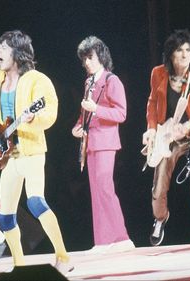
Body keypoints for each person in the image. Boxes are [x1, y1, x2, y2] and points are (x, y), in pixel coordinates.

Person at [0, 30, 73, 273]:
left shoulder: (37, 79)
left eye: (4, 48)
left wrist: (34, 118)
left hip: (31, 150)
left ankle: (63, 256)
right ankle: (18, 265)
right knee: (5, 216)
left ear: (18, 53)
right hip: (8, 154)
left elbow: (50, 110)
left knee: (35, 202)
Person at [142, 30, 190, 249]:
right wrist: (151, 129)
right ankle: (160, 218)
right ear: (170, 54)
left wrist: (189, 127)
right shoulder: (158, 73)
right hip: (168, 136)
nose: (184, 55)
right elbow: (152, 103)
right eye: (179, 50)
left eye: (188, 50)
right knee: (160, 179)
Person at [71, 36, 135, 254]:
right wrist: (77, 126)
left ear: (101, 56)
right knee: (96, 191)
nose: (87, 62)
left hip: (106, 141)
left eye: (90, 57)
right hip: (90, 142)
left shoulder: (111, 80)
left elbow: (121, 113)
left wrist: (96, 109)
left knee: (105, 188)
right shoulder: (88, 82)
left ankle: (121, 237)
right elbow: (84, 113)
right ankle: (102, 241)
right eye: (84, 59)